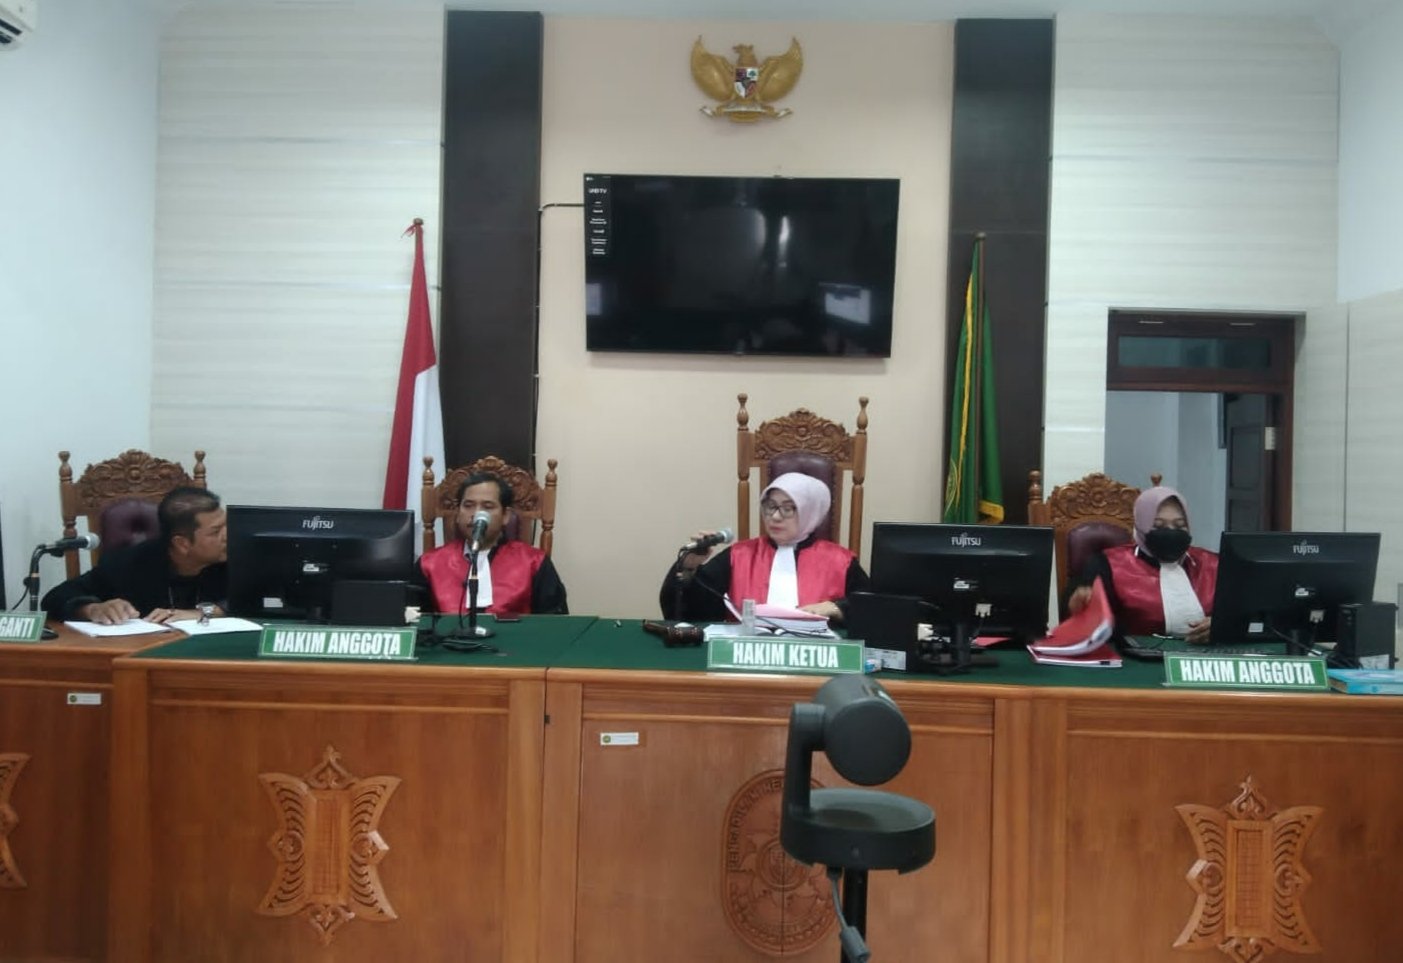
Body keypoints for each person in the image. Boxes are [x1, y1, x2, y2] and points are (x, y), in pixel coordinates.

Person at [661, 471, 869, 623]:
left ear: (810, 512)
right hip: (745, 661)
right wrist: (688, 568)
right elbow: (690, 614)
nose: (775, 517)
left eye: (788, 508)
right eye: (770, 506)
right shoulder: (739, 555)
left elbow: (874, 611)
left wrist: (836, 608)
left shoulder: (841, 561)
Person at [43, 486, 229, 625]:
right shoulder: (129, 563)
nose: (228, 535)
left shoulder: (237, 556)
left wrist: (208, 612)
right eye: (216, 532)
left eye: (226, 525)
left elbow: (247, 600)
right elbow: (55, 598)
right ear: (182, 544)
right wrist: (92, 609)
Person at [1067, 485, 1218, 643]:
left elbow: (1233, 616)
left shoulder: (1213, 564)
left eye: (1180, 526)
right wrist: (1083, 607)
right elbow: (1092, 622)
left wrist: (1220, 626)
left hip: (1205, 655)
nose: (1171, 532)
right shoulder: (1106, 564)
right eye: (1158, 526)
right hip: (1135, 655)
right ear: (1141, 527)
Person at [417, 472, 567, 616]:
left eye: (487, 507)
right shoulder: (429, 564)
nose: (477, 515)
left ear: (505, 516)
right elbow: (413, 621)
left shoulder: (534, 563)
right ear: (458, 514)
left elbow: (555, 624)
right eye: (468, 505)